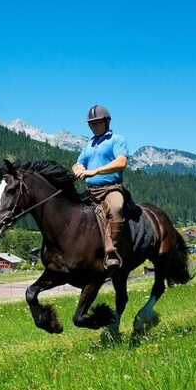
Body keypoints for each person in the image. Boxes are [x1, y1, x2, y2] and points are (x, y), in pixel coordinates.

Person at [72, 105, 129, 269]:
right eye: (91, 124)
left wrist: (94, 171)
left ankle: (113, 251)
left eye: (97, 123)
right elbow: (78, 162)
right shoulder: (89, 144)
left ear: (107, 122)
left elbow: (121, 162)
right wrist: (78, 168)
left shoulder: (117, 139)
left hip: (111, 188)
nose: (94, 126)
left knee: (117, 207)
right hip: (91, 191)